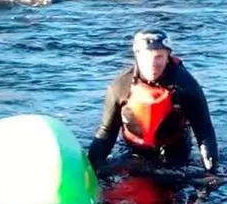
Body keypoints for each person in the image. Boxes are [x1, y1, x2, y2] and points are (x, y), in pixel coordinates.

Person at [87, 30, 218, 173]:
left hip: (176, 153)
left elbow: (204, 132)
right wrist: (91, 167)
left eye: (159, 57)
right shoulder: (120, 86)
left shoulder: (186, 85)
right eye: (146, 58)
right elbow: (107, 132)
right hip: (134, 152)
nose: (153, 64)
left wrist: (211, 172)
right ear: (136, 56)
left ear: (168, 56)